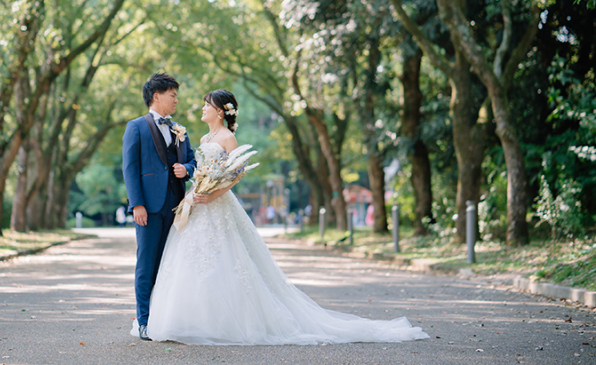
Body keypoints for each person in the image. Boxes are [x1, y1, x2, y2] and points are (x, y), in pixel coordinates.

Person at [142, 89, 429, 345]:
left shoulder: (229, 138)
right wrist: (196, 189)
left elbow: (236, 175)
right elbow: (201, 168)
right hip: (199, 204)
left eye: (206, 104)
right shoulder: (204, 137)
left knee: (227, 260)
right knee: (191, 261)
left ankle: (228, 323)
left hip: (217, 204)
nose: (202, 108)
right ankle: (190, 319)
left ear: (219, 111)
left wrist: (212, 195)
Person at [122, 72, 197, 342]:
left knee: (170, 264)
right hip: (149, 208)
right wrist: (137, 205)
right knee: (147, 263)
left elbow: (193, 161)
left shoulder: (180, 129)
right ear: (157, 96)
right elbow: (130, 169)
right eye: (172, 95)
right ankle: (144, 321)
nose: (176, 99)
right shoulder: (136, 127)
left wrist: (185, 169)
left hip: (178, 207)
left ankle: (166, 318)